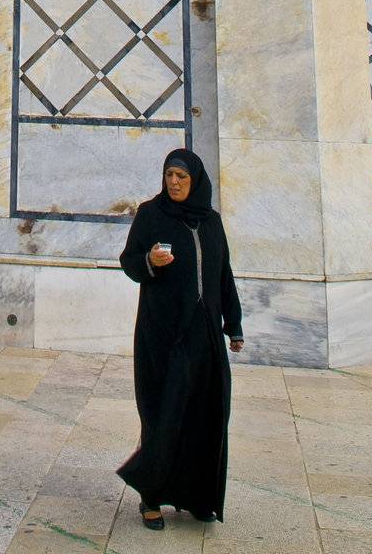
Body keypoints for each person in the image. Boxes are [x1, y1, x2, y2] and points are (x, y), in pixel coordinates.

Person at [117, 148, 243, 530]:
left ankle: (198, 497)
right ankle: (151, 498)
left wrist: (233, 325)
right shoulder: (151, 215)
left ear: (196, 181)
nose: (174, 182)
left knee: (207, 412)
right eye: (169, 175)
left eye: (181, 177)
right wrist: (149, 264)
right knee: (162, 411)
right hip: (163, 335)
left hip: (204, 335)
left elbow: (223, 274)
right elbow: (128, 262)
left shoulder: (211, 221)